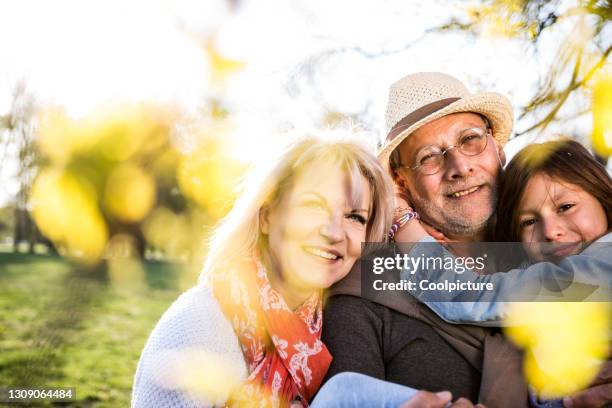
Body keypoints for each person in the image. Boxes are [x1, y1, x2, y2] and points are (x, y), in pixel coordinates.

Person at [322, 72, 612, 408]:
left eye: (471, 139)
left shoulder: (557, 257)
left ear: (498, 151)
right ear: (401, 183)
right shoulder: (365, 289)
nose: (460, 166)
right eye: (429, 156)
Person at [131, 135, 395, 407]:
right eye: (314, 205)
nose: (333, 232)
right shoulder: (199, 325)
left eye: (355, 217)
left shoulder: (328, 332)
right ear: (267, 214)